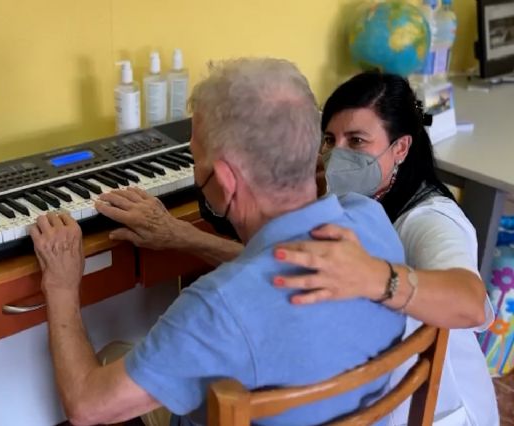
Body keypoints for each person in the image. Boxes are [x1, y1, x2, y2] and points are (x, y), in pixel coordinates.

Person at [95, 71, 499, 426]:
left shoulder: (428, 220)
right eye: (329, 140)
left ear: (401, 148)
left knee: (129, 364)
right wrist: (182, 236)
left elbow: (471, 305)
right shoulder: (364, 211)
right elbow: (302, 268)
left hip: (437, 413)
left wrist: (377, 277)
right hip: (371, 400)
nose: (338, 155)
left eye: (357, 141)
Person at [30, 59, 407, 426]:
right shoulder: (369, 219)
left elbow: (86, 406)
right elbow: (272, 269)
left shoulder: (219, 307)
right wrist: (180, 235)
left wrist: (61, 286)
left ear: (226, 181)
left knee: (113, 357)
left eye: (196, 160)